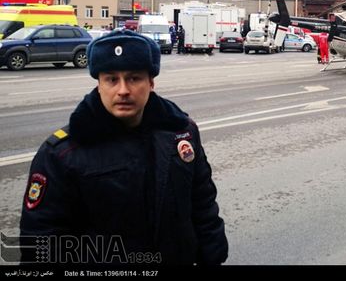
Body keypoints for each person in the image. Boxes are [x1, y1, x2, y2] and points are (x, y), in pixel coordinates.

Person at [20, 29, 228, 265]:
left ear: (151, 82)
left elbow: (202, 204)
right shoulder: (61, 153)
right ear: (99, 84)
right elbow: (41, 242)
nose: (123, 90)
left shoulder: (181, 133)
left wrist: (213, 255)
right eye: (111, 79)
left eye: (133, 78)